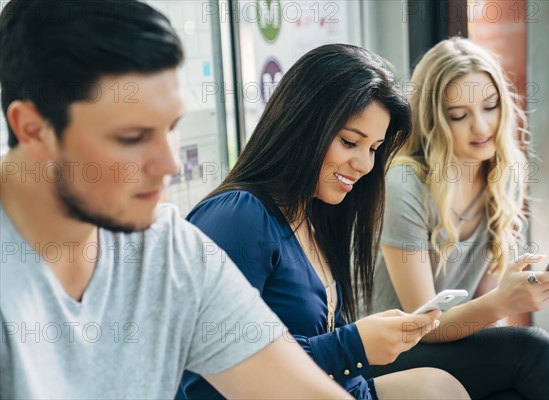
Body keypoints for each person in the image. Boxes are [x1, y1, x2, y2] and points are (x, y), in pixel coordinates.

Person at [0, 1, 355, 398]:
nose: (169, 164)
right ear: (32, 130)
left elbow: (296, 389)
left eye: (171, 127)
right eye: (132, 138)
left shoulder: (167, 246)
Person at [177, 44, 470, 400]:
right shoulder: (239, 217)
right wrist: (353, 345)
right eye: (350, 142)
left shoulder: (314, 214)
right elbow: (209, 376)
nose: (364, 165)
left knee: (446, 386)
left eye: (374, 148)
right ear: (303, 126)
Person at [366, 37, 549, 399]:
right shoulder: (404, 184)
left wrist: (513, 291)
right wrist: (504, 300)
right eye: (459, 116)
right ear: (433, 120)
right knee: (530, 349)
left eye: (490, 106)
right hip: (388, 351)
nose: (481, 127)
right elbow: (422, 324)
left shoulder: (502, 176)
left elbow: (483, 316)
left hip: (450, 346)